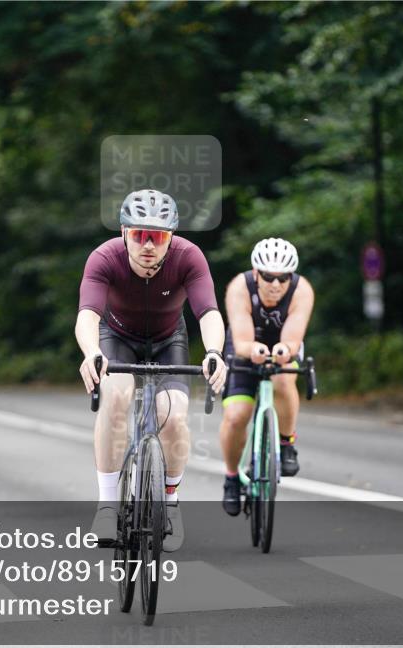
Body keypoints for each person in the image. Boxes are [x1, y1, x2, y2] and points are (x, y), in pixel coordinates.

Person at [76, 189, 227, 552]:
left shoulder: (188, 257)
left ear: (170, 237)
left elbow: (208, 313)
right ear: (124, 233)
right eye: (139, 234)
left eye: (157, 237)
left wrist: (214, 352)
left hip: (167, 339)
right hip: (116, 337)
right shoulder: (104, 258)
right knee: (116, 396)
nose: (147, 245)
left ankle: (170, 503)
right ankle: (108, 505)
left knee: (173, 415)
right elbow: (88, 315)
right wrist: (92, 352)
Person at [218, 238, 314, 516]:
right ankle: (232, 478)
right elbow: (242, 340)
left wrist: (285, 350)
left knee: (283, 379)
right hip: (244, 344)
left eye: (283, 278)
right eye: (269, 277)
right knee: (236, 416)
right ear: (256, 273)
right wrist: (252, 350)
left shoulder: (301, 290)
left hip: (283, 344)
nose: (275, 284)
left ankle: (286, 443)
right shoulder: (240, 287)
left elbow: (293, 339)